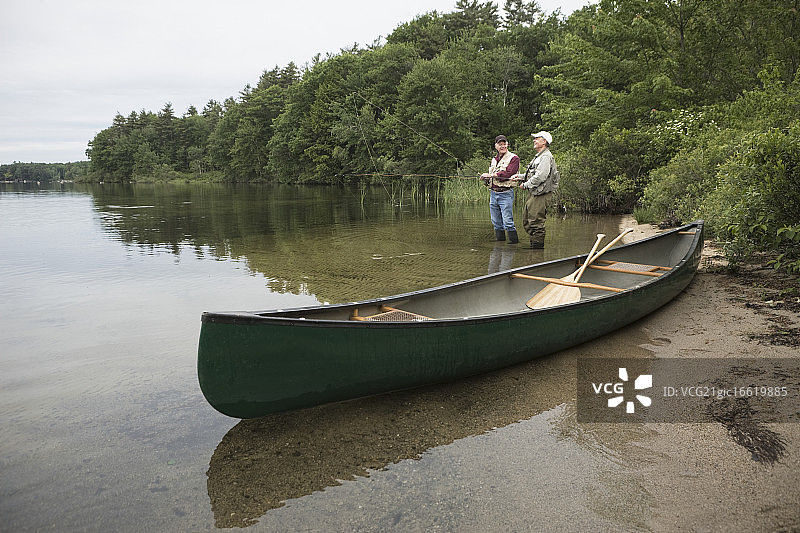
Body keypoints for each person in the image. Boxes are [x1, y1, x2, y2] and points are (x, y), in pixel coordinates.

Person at [518, 131, 559, 249]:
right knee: (527, 221)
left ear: (544, 141)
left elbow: (541, 176)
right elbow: (534, 174)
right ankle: (534, 250)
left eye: (537, 138)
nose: (534, 140)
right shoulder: (540, 156)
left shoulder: (546, 157)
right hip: (534, 193)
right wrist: (519, 177)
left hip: (541, 194)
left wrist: (526, 185)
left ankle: (537, 253)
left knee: (536, 223)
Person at [481, 135, 520, 244]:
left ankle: (514, 246)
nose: (502, 146)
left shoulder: (514, 158)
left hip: (506, 193)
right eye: (500, 144)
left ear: (507, 144)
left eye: (504, 143)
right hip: (493, 194)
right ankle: (500, 245)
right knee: (496, 222)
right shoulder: (494, 159)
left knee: (508, 222)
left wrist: (491, 175)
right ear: (496, 146)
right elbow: (492, 176)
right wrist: (485, 177)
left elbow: (508, 173)